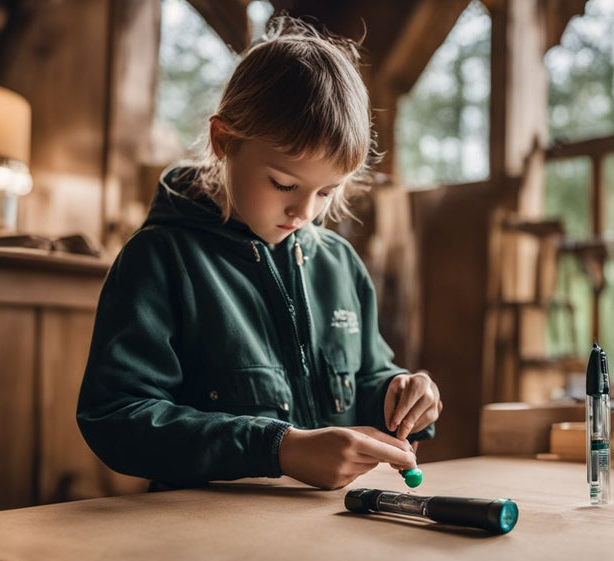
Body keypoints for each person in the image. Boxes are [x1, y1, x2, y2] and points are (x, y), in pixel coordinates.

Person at [77, 17, 441, 491]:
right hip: (200, 540)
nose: (304, 212)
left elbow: (368, 376)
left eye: (327, 191)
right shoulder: (161, 260)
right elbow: (116, 417)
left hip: (330, 531)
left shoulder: (340, 265)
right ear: (223, 141)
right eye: (284, 184)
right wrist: (279, 449)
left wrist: (400, 393)